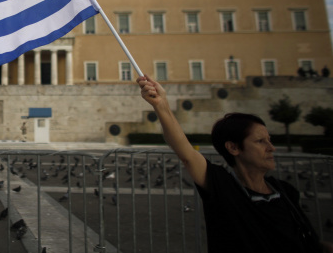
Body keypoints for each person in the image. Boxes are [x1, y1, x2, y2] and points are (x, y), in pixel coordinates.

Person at [137, 74, 332, 253]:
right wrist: (161, 105)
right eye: (260, 141)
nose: (271, 148)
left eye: (269, 140)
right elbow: (187, 153)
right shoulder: (223, 187)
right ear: (233, 148)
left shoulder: (286, 192)